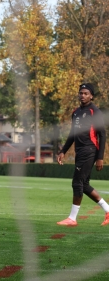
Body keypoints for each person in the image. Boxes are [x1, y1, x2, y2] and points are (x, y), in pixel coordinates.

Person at [57, 83, 108, 226]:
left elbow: (102, 135)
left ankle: (72, 218)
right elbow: (72, 135)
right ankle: (108, 210)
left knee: (77, 183)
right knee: (84, 184)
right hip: (80, 152)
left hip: (89, 150)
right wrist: (63, 151)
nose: (83, 95)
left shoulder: (95, 111)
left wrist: (100, 157)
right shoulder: (76, 112)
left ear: (91, 95)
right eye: (81, 93)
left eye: (86, 93)